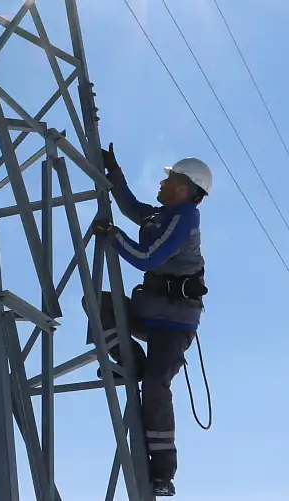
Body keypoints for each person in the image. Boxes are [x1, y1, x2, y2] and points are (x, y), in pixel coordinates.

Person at [87, 146, 211, 498]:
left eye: (169, 178)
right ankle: (130, 362)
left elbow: (147, 258)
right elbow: (129, 207)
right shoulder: (161, 215)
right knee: (96, 303)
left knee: (156, 384)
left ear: (185, 188)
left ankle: (162, 472)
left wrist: (113, 237)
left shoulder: (184, 220)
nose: (162, 181)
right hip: (148, 312)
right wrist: (114, 172)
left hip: (174, 325)